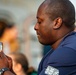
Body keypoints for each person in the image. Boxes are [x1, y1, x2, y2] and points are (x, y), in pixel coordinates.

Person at [34, 0, 76, 75]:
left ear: (57, 23)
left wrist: (5, 69)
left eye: (40, 22)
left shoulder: (67, 52)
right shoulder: (57, 50)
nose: (35, 27)